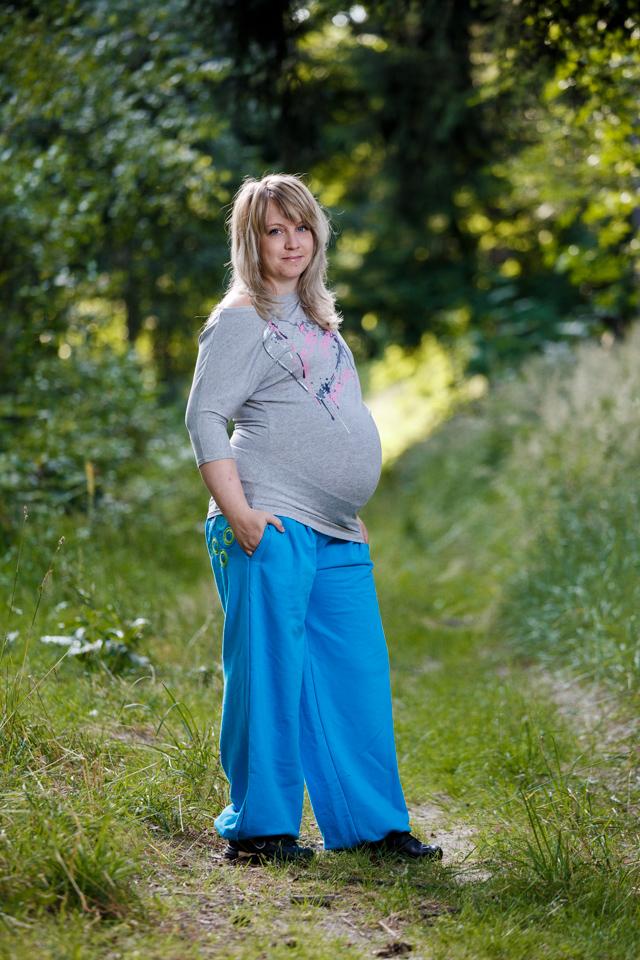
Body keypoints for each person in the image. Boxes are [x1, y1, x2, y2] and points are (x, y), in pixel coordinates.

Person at [184, 172, 443, 866]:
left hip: (334, 528)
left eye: (302, 227)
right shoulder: (240, 319)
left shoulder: (314, 315)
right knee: (270, 677)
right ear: (251, 241)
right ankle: (260, 830)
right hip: (268, 521)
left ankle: (371, 827)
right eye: (275, 229)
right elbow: (204, 417)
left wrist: (347, 509)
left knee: (355, 675)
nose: (291, 241)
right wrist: (240, 514)